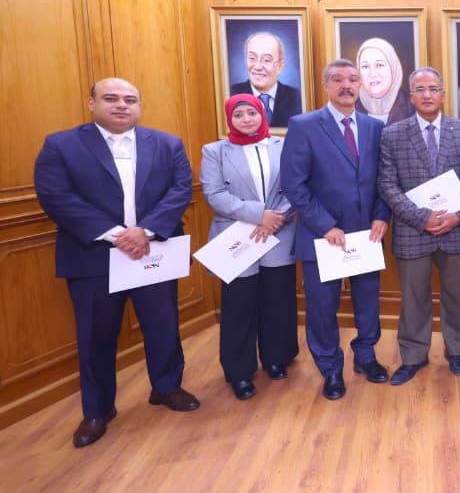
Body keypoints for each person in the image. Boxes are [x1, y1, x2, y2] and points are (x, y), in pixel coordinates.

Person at [33, 78, 200, 448]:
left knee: (163, 326)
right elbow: (56, 196)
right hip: (93, 255)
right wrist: (116, 235)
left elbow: (180, 189)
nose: (122, 105)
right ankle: (98, 410)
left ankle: (166, 387)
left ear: (139, 105)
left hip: (153, 252)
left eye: (130, 99)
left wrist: (146, 231)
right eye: (111, 98)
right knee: (95, 336)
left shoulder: (168, 144)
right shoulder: (61, 145)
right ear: (91, 103)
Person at [280, 59, 391, 400]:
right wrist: (325, 225)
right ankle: (330, 369)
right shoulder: (303, 125)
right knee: (322, 309)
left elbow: (385, 179)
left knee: (368, 304)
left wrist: (382, 215)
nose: (346, 85)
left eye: (353, 79)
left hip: (366, 235)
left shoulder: (374, 127)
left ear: (360, 86)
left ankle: (366, 357)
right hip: (322, 237)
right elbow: (294, 184)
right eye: (338, 79)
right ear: (326, 85)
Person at [377, 67, 460, 382]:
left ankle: (457, 351)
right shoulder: (392, 134)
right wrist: (422, 217)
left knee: (457, 295)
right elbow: (387, 185)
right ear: (411, 97)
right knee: (413, 298)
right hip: (412, 231)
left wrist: (459, 215)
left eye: (433, 89)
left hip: (456, 229)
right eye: (420, 90)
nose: (427, 95)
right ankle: (413, 357)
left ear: (443, 95)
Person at [200, 94, 300, 401]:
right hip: (238, 236)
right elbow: (214, 194)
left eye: (252, 113)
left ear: (262, 114)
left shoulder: (284, 145)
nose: (246, 119)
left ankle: (276, 358)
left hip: (279, 232)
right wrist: (260, 216)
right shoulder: (215, 151)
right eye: (239, 114)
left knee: (278, 300)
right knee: (238, 305)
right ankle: (239, 371)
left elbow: (298, 185)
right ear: (230, 119)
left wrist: (275, 219)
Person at [229, 31, 304, 126]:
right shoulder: (231, 94)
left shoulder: (296, 97)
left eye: (266, 60)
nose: (257, 67)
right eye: (252, 58)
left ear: (280, 66)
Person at [354, 37, 414, 125]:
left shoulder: (413, 107)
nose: (372, 74)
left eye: (379, 65)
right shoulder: (349, 108)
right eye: (365, 66)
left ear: (393, 69)